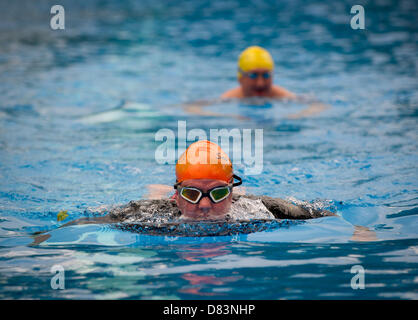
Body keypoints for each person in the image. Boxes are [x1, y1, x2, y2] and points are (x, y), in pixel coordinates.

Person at [184, 46, 328, 119]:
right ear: (240, 78)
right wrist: (223, 116)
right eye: (253, 75)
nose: (260, 83)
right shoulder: (231, 98)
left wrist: (295, 116)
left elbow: (318, 105)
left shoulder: (280, 95)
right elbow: (191, 107)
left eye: (266, 75)